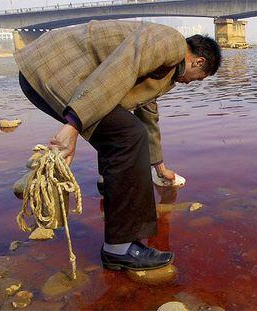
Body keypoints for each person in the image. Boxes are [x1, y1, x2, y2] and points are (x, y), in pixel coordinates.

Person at [15, 20, 222, 271]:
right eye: (199, 78)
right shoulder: (170, 42)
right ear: (199, 62)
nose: (192, 82)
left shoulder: (167, 71)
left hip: (52, 73)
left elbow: (148, 114)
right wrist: (73, 124)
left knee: (123, 132)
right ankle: (119, 248)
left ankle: (108, 182)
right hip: (51, 68)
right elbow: (120, 68)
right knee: (127, 135)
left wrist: (159, 167)